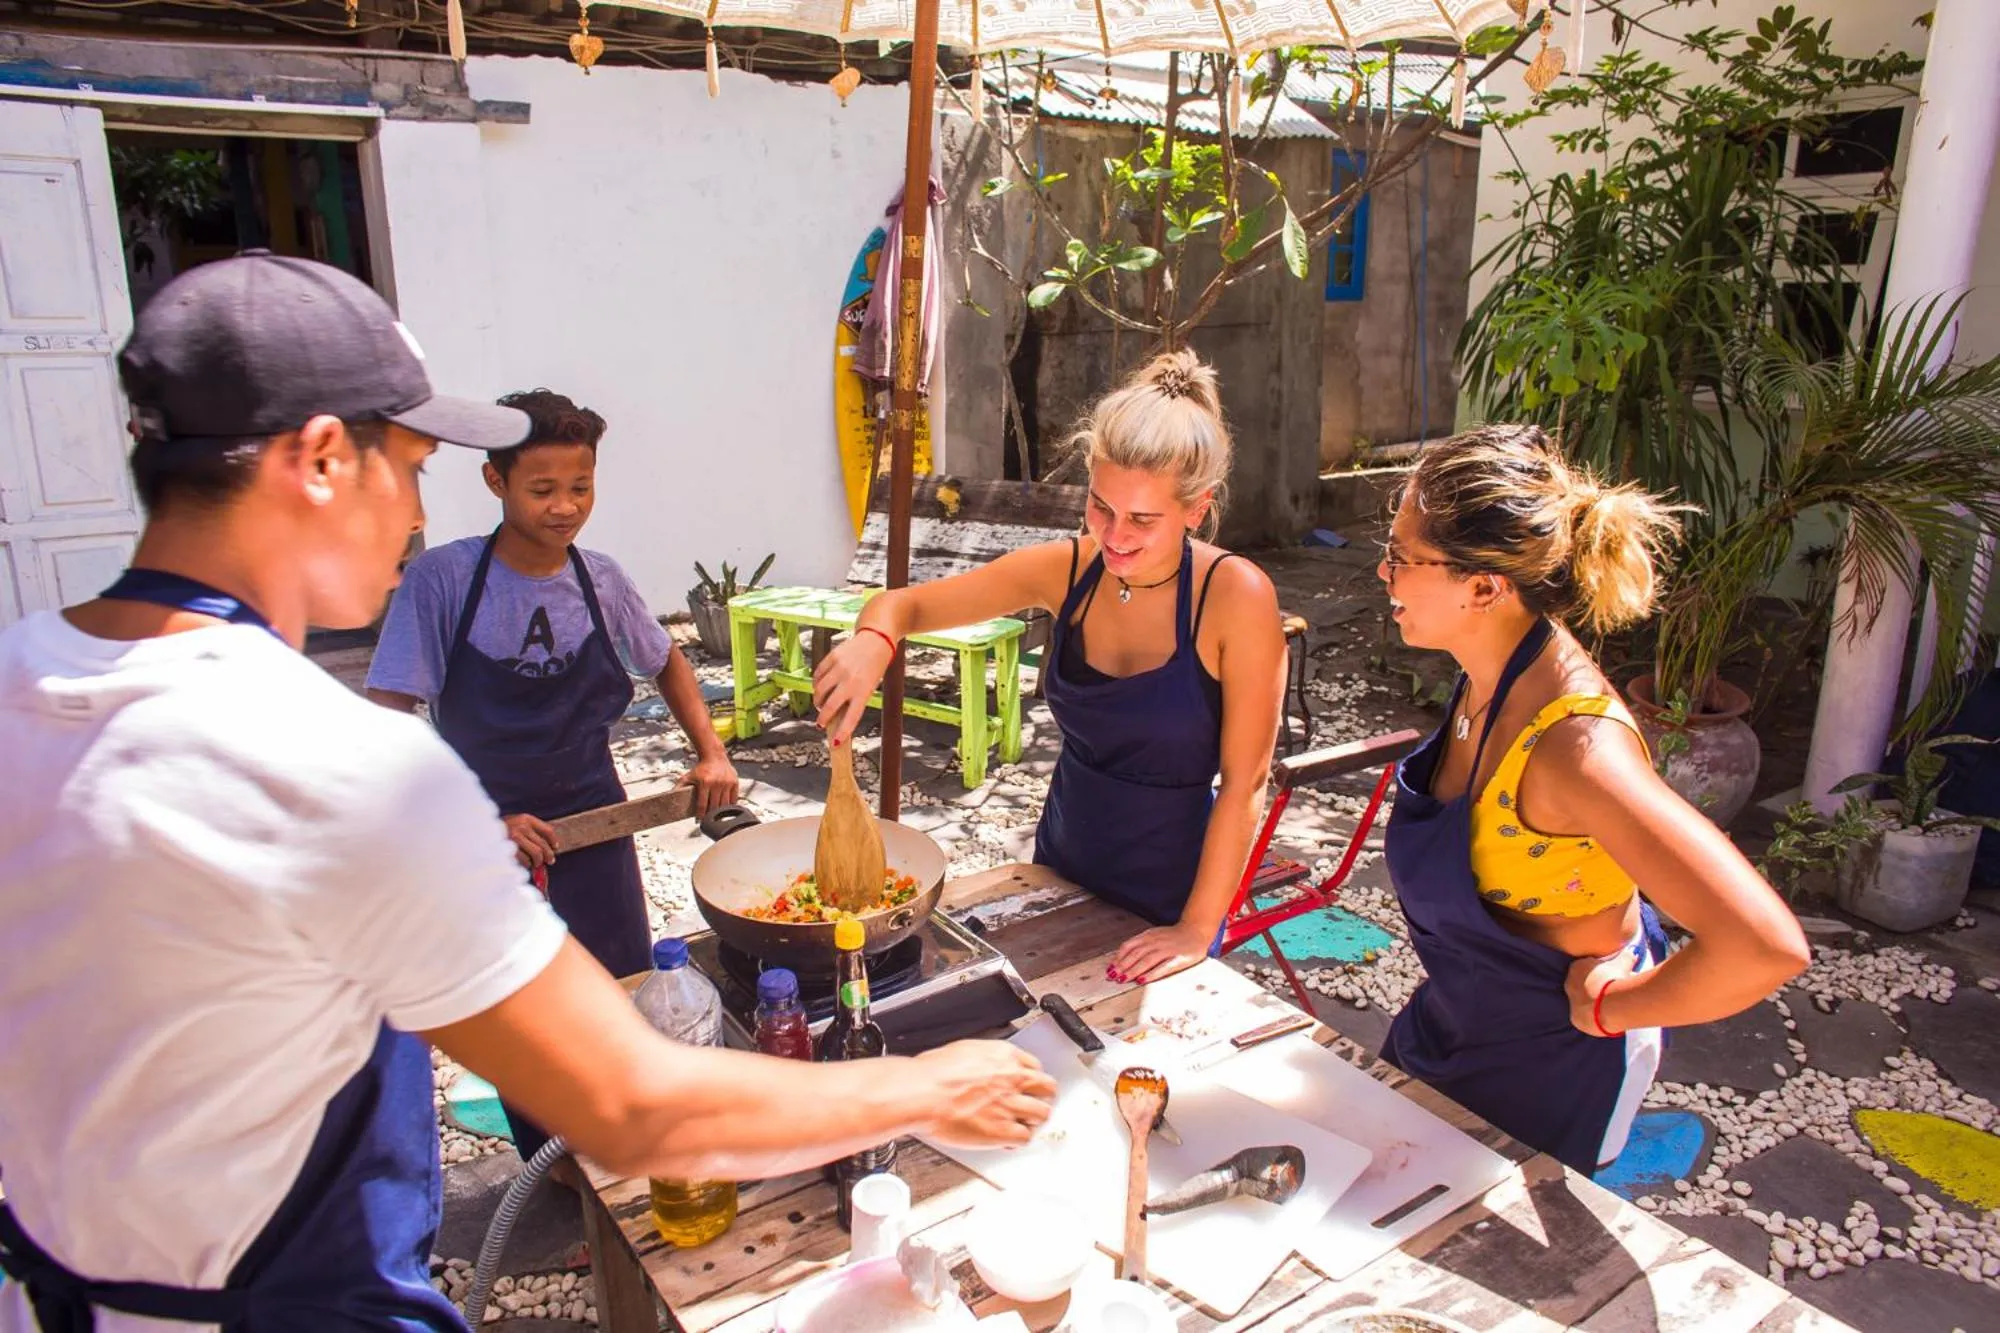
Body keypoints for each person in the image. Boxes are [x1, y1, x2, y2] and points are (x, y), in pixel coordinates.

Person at [0, 253, 1055, 1333]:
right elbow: (633, 1104)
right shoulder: (336, 770)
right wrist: (928, 1086)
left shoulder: (17, 684)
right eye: (408, 466)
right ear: (322, 458)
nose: (415, 511)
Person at [1375, 424, 1810, 1174]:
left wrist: (1616, 1006)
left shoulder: (1577, 752)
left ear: (1483, 587)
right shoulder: (1488, 673)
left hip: (1549, 1073)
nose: (1383, 572)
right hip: (1450, 1023)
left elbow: (1764, 945)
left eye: (1402, 556)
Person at [814, 352, 1286, 985]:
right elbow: (905, 605)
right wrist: (875, 637)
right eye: (1101, 508)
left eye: (1143, 520)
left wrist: (1197, 928)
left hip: (1175, 890)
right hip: (1061, 860)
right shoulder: (1067, 569)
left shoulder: (1235, 597)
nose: (1114, 536)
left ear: (1195, 510)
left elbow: (1244, 784)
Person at [364, 389, 735, 1159]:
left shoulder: (600, 579)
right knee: (523, 1020)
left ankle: (624, 1149)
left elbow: (667, 664)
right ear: (495, 483)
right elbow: (389, 717)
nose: (565, 507)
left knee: (623, 990)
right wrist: (473, 824)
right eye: (542, 490)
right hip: (486, 833)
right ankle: (555, 1172)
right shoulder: (442, 580)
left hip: (593, 813)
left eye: (581, 487)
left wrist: (711, 751)